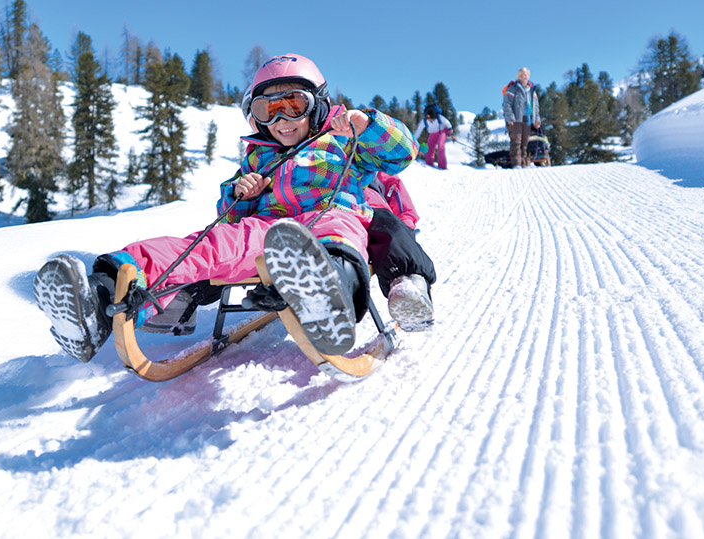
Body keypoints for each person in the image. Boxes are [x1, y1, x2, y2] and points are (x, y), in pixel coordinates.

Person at [33, 53, 418, 362]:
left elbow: (403, 153)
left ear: (318, 105)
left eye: (293, 105)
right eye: (269, 111)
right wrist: (241, 193)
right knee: (206, 245)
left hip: (329, 217)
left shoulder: (344, 143)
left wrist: (366, 125)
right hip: (269, 231)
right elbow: (229, 214)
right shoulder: (258, 158)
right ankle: (98, 301)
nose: (282, 119)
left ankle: (326, 299)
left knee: (336, 236)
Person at [363, 173, 436, 331]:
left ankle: (408, 287)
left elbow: (392, 187)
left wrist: (404, 226)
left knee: (389, 231)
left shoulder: (361, 155)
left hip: (368, 207)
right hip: (320, 210)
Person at [502, 67, 541, 168]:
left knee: (524, 142)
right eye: (521, 75)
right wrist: (510, 117)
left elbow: (536, 107)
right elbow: (507, 104)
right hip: (516, 119)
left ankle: (524, 163)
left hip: (527, 119)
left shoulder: (532, 91)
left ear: (528, 76)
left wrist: (537, 119)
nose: (524, 77)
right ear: (518, 77)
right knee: (516, 142)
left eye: (526, 75)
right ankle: (516, 163)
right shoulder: (513, 89)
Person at [412, 104, 453, 169]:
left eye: (431, 118)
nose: (429, 120)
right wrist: (413, 140)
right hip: (432, 133)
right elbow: (418, 132)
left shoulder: (439, 117)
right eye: (428, 118)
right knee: (429, 147)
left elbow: (448, 123)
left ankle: (442, 166)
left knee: (440, 145)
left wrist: (451, 134)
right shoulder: (424, 121)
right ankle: (429, 163)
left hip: (442, 130)